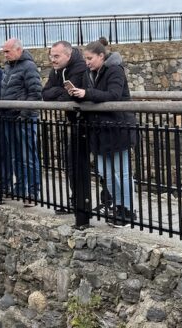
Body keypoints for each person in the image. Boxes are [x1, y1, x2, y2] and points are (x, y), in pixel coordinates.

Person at [69, 41, 136, 227]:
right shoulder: (88, 74)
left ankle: (127, 210)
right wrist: (76, 94)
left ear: (101, 56)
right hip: (99, 131)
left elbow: (114, 94)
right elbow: (88, 94)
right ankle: (118, 205)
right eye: (85, 59)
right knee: (105, 172)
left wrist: (86, 93)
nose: (87, 62)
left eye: (90, 58)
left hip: (117, 128)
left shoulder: (115, 70)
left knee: (121, 171)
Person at [42, 40, 89, 211]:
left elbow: (70, 97)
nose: (52, 60)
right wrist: (60, 90)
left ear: (68, 55)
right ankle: (77, 201)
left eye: (56, 56)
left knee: (103, 166)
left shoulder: (80, 67)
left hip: (90, 122)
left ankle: (108, 203)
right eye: (51, 56)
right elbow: (45, 93)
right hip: (75, 122)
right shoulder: (57, 70)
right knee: (72, 163)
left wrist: (59, 92)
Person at [0, 38, 42, 202]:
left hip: (23, 118)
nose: (5, 55)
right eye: (4, 51)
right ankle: (20, 188)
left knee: (28, 157)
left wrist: (23, 115)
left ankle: (32, 192)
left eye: (7, 51)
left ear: (18, 50)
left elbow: (36, 93)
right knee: (16, 156)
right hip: (9, 117)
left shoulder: (29, 66)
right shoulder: (9, 66)